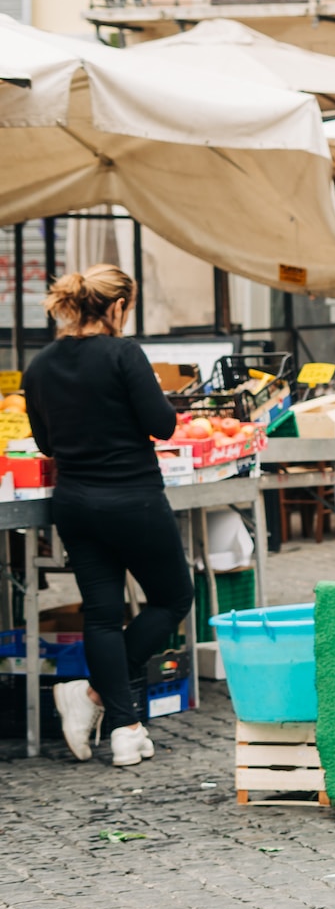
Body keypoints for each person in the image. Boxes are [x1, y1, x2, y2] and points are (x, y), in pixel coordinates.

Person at [23, 264, 195, 766]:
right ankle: (97, 697)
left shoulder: (40, 365)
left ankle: (123, 726)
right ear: (118, 307)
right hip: (133, 500)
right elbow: (162, 425)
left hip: (75, 502)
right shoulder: (124, 354)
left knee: (101, 613)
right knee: (172, 597)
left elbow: (46, 443)